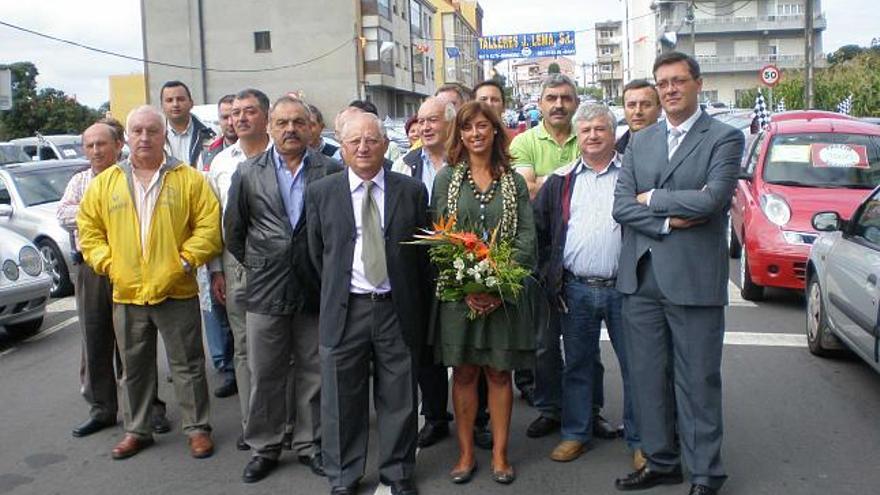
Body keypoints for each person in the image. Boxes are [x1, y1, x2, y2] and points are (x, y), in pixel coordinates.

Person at [612, 51, 744, 495]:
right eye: (662, 82)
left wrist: (653, 200)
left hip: (693, 282)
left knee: (698, 383)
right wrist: (667, 216)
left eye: (678, 81)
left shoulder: (723, 138)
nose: (669, 89)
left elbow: (713, 201)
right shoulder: (639, 140)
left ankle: (706, 472)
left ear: (697, 83)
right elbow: (621, 206)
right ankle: (662, 460)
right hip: (642, 280)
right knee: (648, 380)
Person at [77, 105, 223, 460]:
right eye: (137, 131)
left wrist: (185, 261)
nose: (144, 137)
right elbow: (89, 231)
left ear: (163, 136)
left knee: (187, 365)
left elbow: (209, 226)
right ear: (127, 137)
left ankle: (197, 429)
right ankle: (137, 430)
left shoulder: (189, 179)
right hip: (127, 293)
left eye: (152, 131)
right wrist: (109, 264)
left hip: (176, 289)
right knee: (133, 367)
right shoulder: (106, 182)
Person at [307, 112, 430, 495]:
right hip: (346, 309)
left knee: (399, 397)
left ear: (384, 145)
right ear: (342, 148)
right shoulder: (322, 192)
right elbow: (314, 255)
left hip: (395, 307)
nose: (363, 148)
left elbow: (421, 257)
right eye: (354, 141)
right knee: (342, 399)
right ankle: (343, 475)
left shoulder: (409, 190)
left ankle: (398, 473)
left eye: (372, 140)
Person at [225, 96, 342, 483]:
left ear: (311, 127)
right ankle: (265, 446)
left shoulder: (330, 169)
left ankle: (310, 444)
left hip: (313, 284)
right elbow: (235, 232)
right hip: (265, 286)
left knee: (313, 370)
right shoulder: (247, 172)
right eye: (282, 123)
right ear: (270, 128)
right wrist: (263, 262)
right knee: (265, 371)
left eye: (297, 122)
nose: (290, 129)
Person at [431, 101, 542, 485]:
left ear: (496, 130)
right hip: (458, 296)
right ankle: (464, 455)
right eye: (467, 128)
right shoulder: (447, 180)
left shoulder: (512, 181)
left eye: (483, 126)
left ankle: (499, 454)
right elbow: (438, 236)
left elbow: (526, 236)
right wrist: (464, 286)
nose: (475, 133)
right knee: (462, 372)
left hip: (503, 295)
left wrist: (499, 285)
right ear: (458, 134)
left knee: (498, 373)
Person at [533, 104, 640, 466]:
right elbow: (541, 232)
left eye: (600, 129)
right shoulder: (561, 181)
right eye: (586, 130)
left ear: (613, 134)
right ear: (577, 136)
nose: (593, 136)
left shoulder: (633, 174)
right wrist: (552, 276)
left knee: (636, 366)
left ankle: (641, 439)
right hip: (576, 290)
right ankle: (576, 433)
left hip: (625, 288)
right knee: (577, 364)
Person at [59, 119, 171, 438]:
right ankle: (103, 409)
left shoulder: (130, 176)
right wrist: (104, 213)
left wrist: (93, 217)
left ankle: (149, 408)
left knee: (135, 342)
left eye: (102, 144)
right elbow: (63, 216)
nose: (96, 150)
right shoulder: (80, 180)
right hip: (91, 270)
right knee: (95, 339)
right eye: (90, 145)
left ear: (118, 145)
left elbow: (140, 213)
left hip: (131, 267)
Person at [207, 88, 275, 451]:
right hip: (236, 262)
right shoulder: (220, 163)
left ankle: (286, 420)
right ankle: (253, 424)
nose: (241, 118)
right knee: (245, 345)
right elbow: (215, 222)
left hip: (279, 261)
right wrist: (216, 270)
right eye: (235, 113)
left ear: (265, 116)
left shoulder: (283, 155)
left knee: (284, 344)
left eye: (250, 111)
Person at [159, 80, 214, 167]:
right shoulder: (156, 137)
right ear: (162, 106)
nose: (175, 104)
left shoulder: (212, 133)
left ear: (191, 103)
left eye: (180, 99)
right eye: (169, 100)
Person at [617, 80, 662, 154]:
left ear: (659, 110)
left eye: (646, 105)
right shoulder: (612, 153)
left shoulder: (673, 147)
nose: (638, 111)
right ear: (624, 110)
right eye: (631, 105)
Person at [202, 94, 237, 168]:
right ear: (219, 120)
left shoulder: (260, 151)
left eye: (234, 116)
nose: (230, 122)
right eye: (225, 117)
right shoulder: (206, 155)